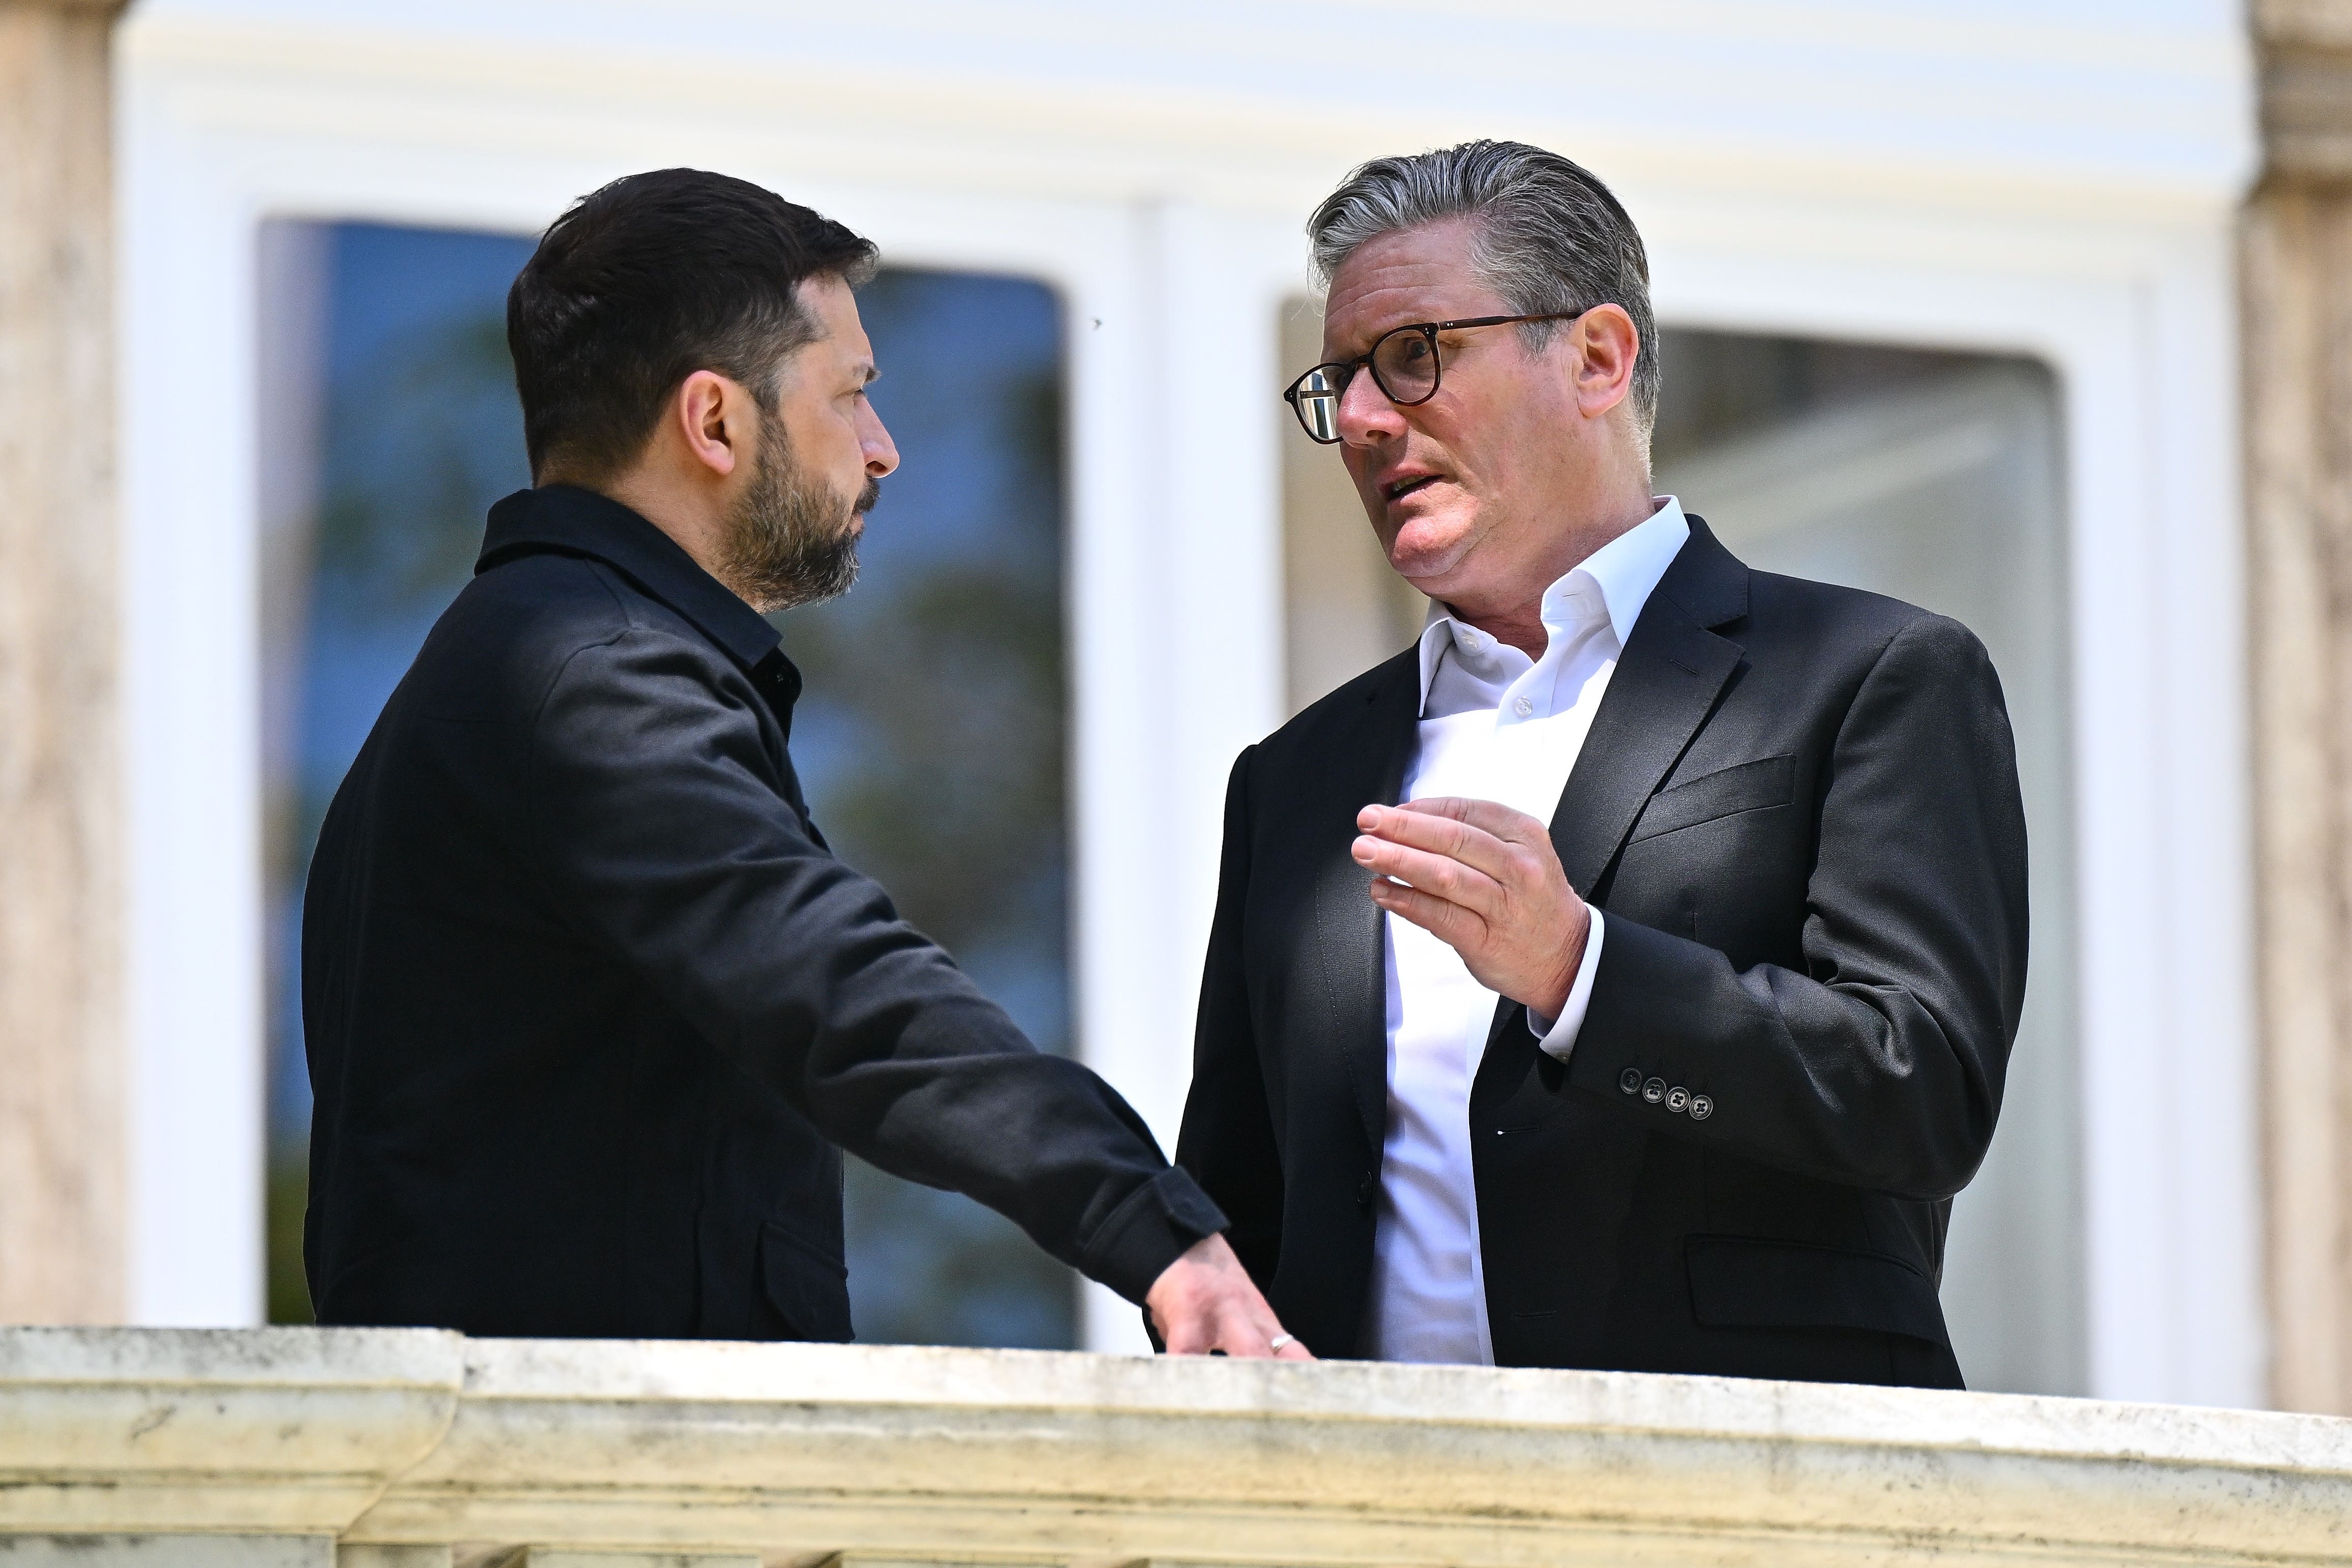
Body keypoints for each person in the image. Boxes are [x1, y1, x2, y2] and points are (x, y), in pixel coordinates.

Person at [302, 168, 1303, 1360]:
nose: (883, 451)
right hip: (582, 1466)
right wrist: (1156, 1231)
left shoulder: (531, 665)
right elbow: (844, 992)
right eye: (852, 395)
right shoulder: (586, 677)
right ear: (715, 421)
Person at [1174, 141, 2026, 1386]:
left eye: (1411, 354)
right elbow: (1237, 1210)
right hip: (1372, 1480)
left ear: (1595, 358)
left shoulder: (1866, 676)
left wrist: (1582, 971)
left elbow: (1921, 1094)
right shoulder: (1294, 778)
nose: (1358, 419)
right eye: (1340, 379)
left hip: (1746, 1470)